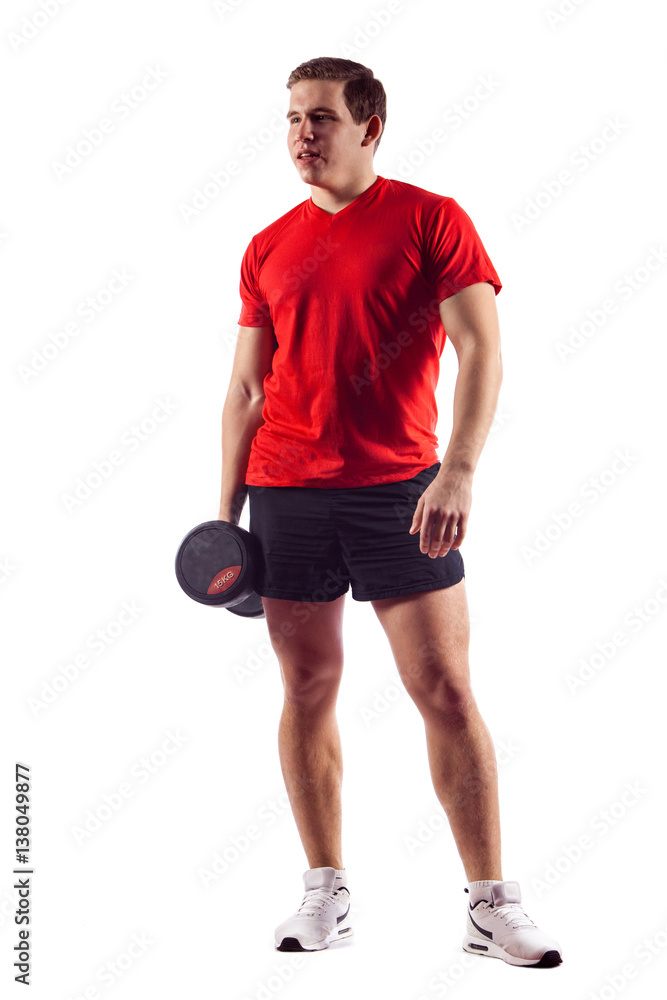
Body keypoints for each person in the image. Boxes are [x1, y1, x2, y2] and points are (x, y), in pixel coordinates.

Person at [218, 56, 563, 968]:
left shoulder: (430, 220)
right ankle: (324, 888)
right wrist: (224, 521)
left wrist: (458, 470)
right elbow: (247, 389)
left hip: (399, 494)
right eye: (292, 117)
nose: (302, 134)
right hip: (285, 494)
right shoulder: (267, 243)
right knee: (306, 689)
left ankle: (489, 905)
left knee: (443, 690)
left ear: (369, 127)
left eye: (322, 117)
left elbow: (481, 349)